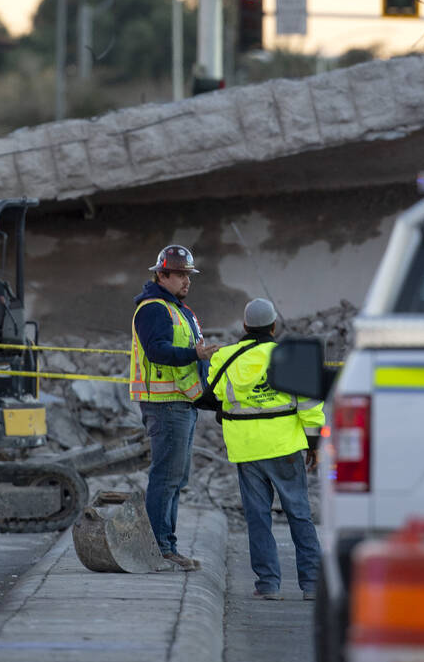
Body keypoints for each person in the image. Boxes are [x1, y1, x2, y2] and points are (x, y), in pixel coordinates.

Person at [209, 296, 323, 600]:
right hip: (284, 447)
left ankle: (268, 584)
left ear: (245, 325)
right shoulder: (292, 357)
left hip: (247, 450)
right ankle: (312, 584)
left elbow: (214, 394)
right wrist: (314, 443)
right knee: (299, 513)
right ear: (274, 326)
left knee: (258, 516)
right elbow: (310, 405)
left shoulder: (224, 358)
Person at [130, 244, 218, 571]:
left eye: (188, 275)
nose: (186, 280)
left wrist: (206, 395)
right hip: (165, 405)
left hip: (181, 403)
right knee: (167, 477)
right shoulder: (154, 309)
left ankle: (167, 546)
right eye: (180, 274)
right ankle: (160, 549)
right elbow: (158, 352)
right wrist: (196, 356)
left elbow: (186, 357)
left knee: (175, 478)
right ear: (161, 274)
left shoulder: (179, 310)